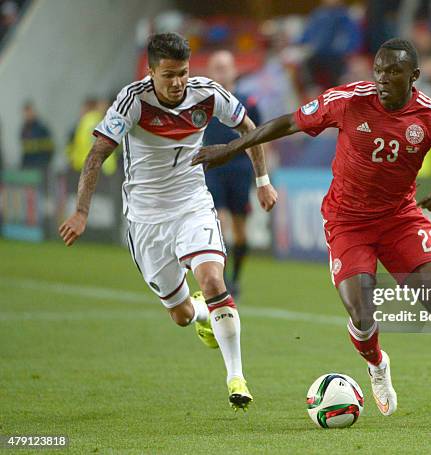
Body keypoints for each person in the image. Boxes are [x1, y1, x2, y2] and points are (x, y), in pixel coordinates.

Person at [193, 38, 431, 423]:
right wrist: (232, 147)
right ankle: (377, 365)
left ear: (414, 76)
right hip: (348, 221)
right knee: (361, 312)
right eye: (378, 70)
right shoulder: (349, 99)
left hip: (400, 218)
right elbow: (288, 122)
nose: (382, 78)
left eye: (393, 72)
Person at [59, 32, 277, 410]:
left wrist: (263, 181)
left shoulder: (208, 94)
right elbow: (96, 156)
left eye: (183, 73)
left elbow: (250, 130)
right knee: (181, 316)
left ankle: (236, 378)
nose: (177, 83)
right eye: (169, 75)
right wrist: (81, 211)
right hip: (145, 218)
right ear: (152, 72)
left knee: (212, 278)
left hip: (192, 203)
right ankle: (203, 311)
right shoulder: (132, 101)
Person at [204, 50, 262, 298]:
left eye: (224, 67)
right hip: (213, 169)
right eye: (216, 67)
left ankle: (235, 278)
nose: (220, 72)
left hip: (240, 169)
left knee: (239, 231)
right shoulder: (203, 103)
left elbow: (261, 138)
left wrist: (262, 176)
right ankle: (222, 281)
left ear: (234, 70)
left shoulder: (248, 103)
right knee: (219, 222)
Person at [20, 101, 54, 170]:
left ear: (34, 112)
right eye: (25, 113)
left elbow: (50, 147)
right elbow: (24, 151)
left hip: (41, 166)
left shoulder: (42, 129)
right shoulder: (24, 130)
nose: (27, 115)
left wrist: (45, 164)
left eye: (29, 112)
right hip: (28, 166)